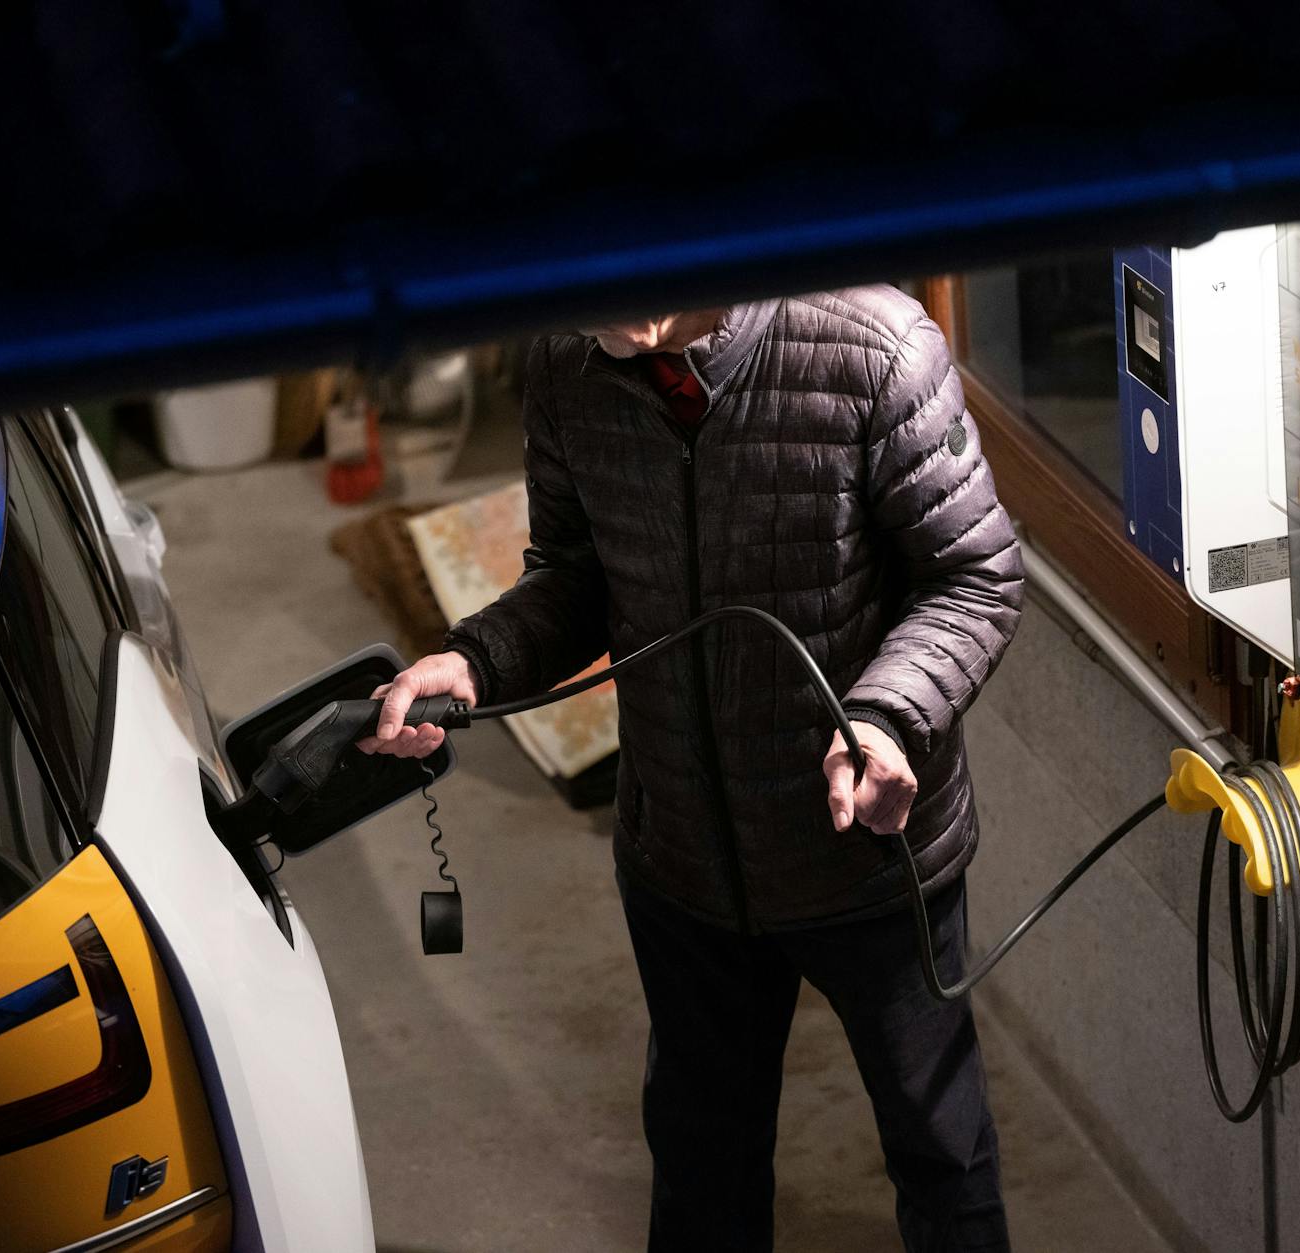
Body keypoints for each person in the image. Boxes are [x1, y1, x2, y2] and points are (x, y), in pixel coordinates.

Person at [360, 288, 1024, 1252]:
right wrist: (477, 660)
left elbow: (975, 574)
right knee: (699, 1160)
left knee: (939, 1150)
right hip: (682, 862)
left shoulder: (873, 347)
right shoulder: (565, 364)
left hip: (866, 859)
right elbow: (576, 574)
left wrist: (884, 718)